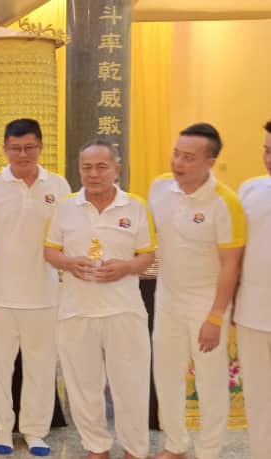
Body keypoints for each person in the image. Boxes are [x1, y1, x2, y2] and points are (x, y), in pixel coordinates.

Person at [43, 141, 156, 459]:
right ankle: (96, 447)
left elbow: (147, 254)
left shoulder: (135, 206)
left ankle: (135, 449)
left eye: (101, 167)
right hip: (76, 311)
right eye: (87, 167)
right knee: (83, 386)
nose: (94, 174)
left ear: (116, 169)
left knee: (131, 385)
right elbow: (50, 250)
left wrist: (126, 267)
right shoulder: (65, 206)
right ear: (79, 170)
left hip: (124, 310)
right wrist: (68, 263)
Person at [0, 118, 70, 457]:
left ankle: (35, 431)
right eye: (15, 148)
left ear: (40, 147)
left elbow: (67, 239)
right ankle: (1, 428)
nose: (23, 154)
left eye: (29, 147)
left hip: (44, 293)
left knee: (41, 366)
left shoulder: (59, 186)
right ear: (5, 149)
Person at [149, 123, 245, 459]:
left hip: (207, 302)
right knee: (166, 374)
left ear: (209, 162)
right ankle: (175, 444)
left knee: (210, 380)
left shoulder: (225, 203)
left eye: (188, 157)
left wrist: (216, 317)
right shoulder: (159, 188)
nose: (178, 162)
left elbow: (231, 265)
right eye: (176, 154)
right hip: (166, 299)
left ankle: (209, 450)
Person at [236, 120, 271, 458]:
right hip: (252, 313)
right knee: (259, 399)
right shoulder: (249, 190)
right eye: (267, 150)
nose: (269, 158)